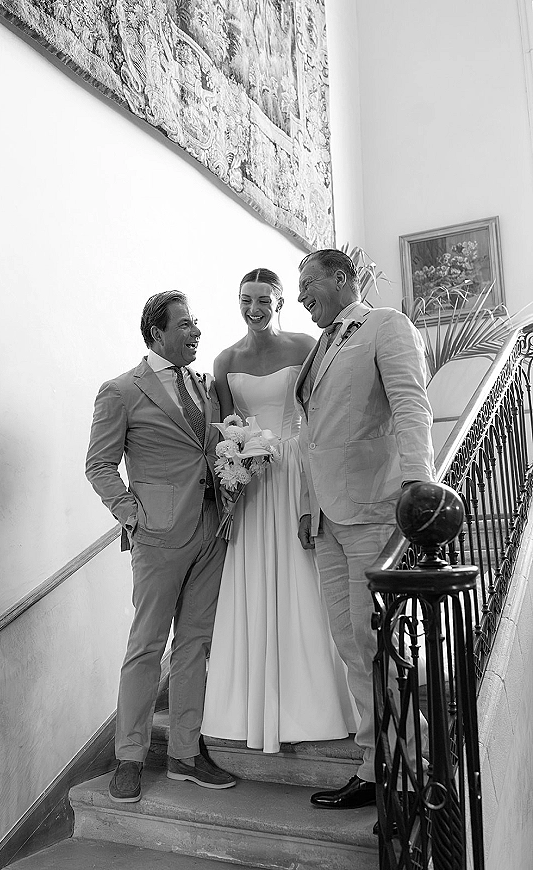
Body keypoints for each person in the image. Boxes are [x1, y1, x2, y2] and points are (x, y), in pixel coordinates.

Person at [295, 248, 434, 809]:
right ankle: (378, 763)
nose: (300, 296)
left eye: (308, 283)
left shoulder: (384, 325)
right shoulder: (322, 345)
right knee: (353, 647)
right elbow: (313, 435)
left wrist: (419, 486)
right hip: (326, 519)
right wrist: (306, 506)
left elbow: (410, 405)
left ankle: (409, 772)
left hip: (374, 511)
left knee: (376, 643)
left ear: (342, 278)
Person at [86, 290, 236, 803]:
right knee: (147, 647)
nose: (197, 331)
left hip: (212, 529)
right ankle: (129, 757)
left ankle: (185, 754)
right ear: (157, 333)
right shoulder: (120, 391)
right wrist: (133, 515)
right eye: (186, 324)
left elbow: (211, 450)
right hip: (157, 536)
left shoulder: (205, 385)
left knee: (195, 645)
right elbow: (99, 465)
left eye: (196, 323)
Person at [201, 268, 359, 753]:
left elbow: (319, 413)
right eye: (246, 299)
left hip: (295, 470)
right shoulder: (226, 359)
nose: (254, 308)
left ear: (280, 302)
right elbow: (226, 426)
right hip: (253, 478)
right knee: (253, 578)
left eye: (264, 300)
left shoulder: (306, 346)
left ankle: (316, 703)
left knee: (303, 575)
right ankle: (252, 705)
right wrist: (234, 462)